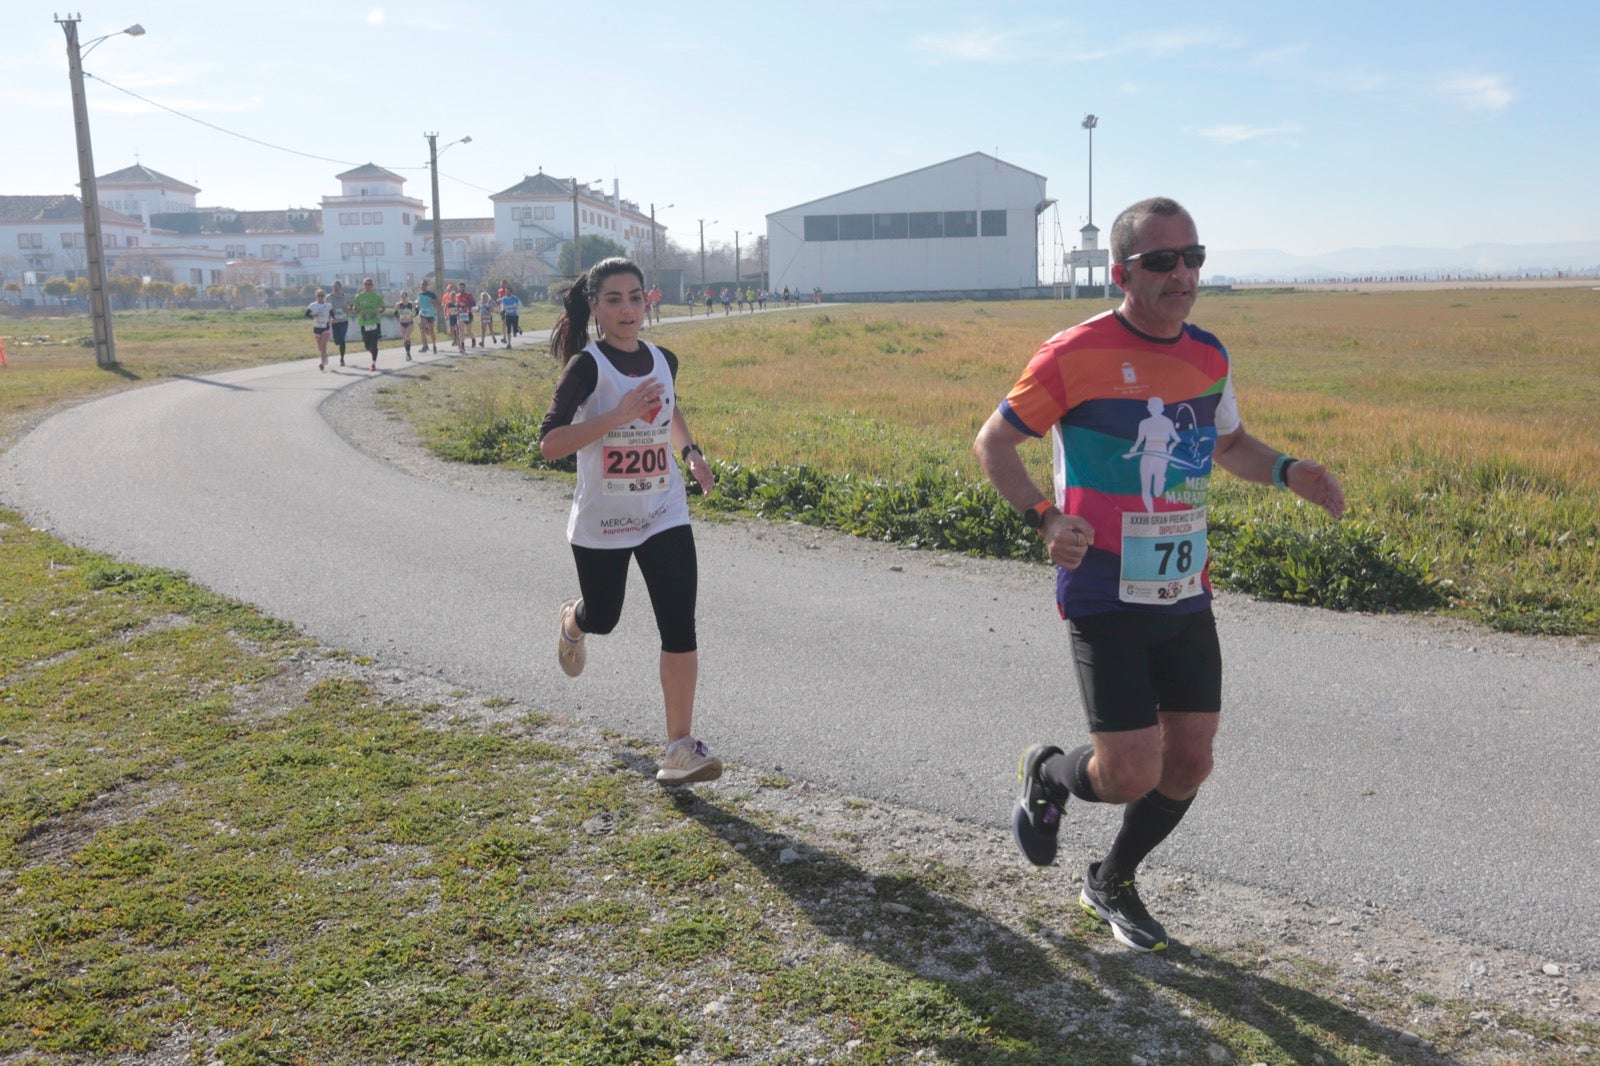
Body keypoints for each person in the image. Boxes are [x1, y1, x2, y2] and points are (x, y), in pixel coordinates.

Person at [972, 196, 1347, 953]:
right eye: (1162, 261)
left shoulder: (1209, 355)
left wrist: (1285, 469)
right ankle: (1048, 772)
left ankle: (1111, 879)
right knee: (1132, 770)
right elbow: (993, 443)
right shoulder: (1071, 351)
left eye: (1193, 257)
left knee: (1191, 760)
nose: (1183, 274)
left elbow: (1227, 444)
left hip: (1182, 587)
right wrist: (1046, 517)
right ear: (1122, 273)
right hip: (1102, 589)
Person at [538, 257, 722, 785]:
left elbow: (668, 409)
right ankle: (574, 620)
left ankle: (679, 748)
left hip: (663, 509)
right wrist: (616, 416)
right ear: (595, 306)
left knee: (679, 623)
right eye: (614, 299)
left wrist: (690, 453)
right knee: (605, 616)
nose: (627, 309)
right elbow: (550, 443)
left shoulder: (664, 358)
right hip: (604, 519)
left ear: (648, 301)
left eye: (635, 298)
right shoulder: (587, 367)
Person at [351, 277, 385, 372]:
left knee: (374, 344)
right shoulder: (359, 297)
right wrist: (358, 312)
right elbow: (354, 308)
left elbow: (383, 308)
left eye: (369, 284)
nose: (367, 286)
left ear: (372, 286)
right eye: (366, 284)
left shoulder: (377, 297)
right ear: (363, 285)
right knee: (367, 345)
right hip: (364, 323)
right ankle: (374, 352)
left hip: (375, 322)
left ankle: (373, 363)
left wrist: (379, 311)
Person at [306, 288, 334, 370]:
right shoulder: (312, 305)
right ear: (316, 296)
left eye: (322, 295)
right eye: (319, 295)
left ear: (324, 296)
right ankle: (325, 356)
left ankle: (322, 363)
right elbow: (306, 315)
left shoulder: (328, 305)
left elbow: (332, 315)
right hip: (317, 328)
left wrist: (333, 319)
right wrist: (313, 315)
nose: (320, 297)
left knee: (323, 345)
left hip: (326, 328)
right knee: (320, 348)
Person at [328, 280, 351, 365]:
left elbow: (351, 307)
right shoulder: (329, 297)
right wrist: (330, 313)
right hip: (334, 322)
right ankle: (339, 344)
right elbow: (326, 309)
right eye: (334, 287)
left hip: (344, 321)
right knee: (337, 341)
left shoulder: (345, 297)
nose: (336, 289)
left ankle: (342, 358)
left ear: (340, 288)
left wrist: (347, 309)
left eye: (337, 287)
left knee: (342, 339)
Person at [394, 290, 418, 360]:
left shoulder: (411, 304)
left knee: (407, 337)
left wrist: (413, 315)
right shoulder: (399, 305)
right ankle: (408, 352)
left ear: (407, 296)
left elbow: (417, 310)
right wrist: (399, 318)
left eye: (404, 296)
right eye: (402, 296)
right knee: (404, 339)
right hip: (402, 323)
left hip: (409, 323)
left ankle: (408, 354)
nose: (403, 297)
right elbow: (395, 313)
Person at [416, 282, 438, 353]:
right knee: (422, 329)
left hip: (430, 314)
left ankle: (434, 345)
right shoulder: (419, 294)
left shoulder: (431, 294)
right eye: (421, 285)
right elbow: (418, 303)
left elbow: (437, 301)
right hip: (423, 314)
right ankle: (424, 346)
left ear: (426, 286)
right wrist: (416, 305)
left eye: (424, 285)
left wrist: (432, 302)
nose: (422, 286)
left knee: (431, 331)